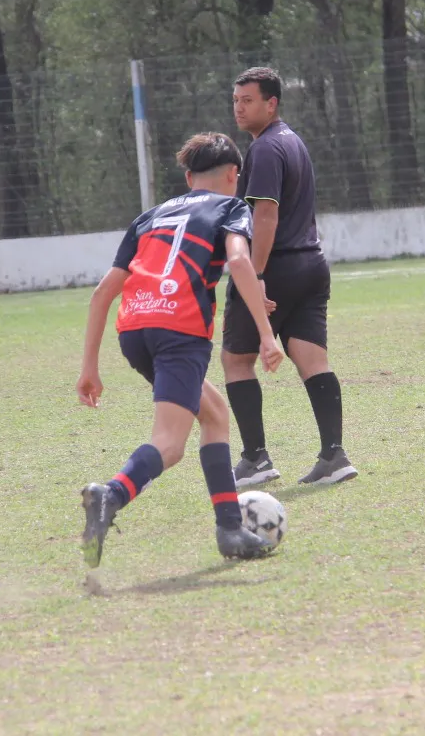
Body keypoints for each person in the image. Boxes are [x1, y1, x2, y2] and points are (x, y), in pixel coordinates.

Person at [77, 132, 285, 568]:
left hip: (134, 331)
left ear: (190, 177)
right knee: (170, 444)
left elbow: (102, 294)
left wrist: (89, 368)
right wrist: (267, 334)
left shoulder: (150, 215)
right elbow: (241, 262)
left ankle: (230, 529)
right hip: (178, 329)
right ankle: (109, 494)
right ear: (234, 175)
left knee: (214, 415)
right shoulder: (232, 207)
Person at [222, 67, 358, 487]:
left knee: (235, 360)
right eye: (236, 100)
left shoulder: (263, 150)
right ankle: (334, 454)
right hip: (311, 264)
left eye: (248, 100)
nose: (240, 108)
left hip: (275, 265)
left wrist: (255, 275)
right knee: (311, 359)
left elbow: (266, 215)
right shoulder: (293, 141)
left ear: (271, 103)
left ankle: (255, 458)